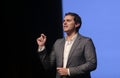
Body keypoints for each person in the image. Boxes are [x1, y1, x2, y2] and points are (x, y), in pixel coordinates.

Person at [36, 12, 97, 78]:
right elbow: (48, 65)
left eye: (68, 20)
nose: (64, 23)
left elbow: (92, 64)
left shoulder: (86, 41)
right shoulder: (58, 43)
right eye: (64, 21)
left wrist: (68, 71)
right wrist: (41, 46)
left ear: (77, 24)